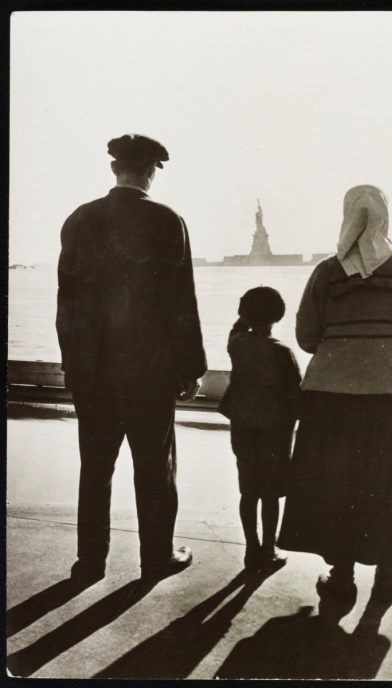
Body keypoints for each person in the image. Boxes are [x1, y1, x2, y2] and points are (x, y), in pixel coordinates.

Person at [56, 134, 207, 583]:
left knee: (95, 468)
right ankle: (157, 558)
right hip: (150, 372)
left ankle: (89, 563)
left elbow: (66, 300)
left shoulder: (80, 220)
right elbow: (182, 301)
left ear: (113, 169)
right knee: (154, 468)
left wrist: (73, 362)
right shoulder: (166, 220)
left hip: (93, 369)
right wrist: (191, 367)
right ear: (151, 171)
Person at [278, 185, 392, 608]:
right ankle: (386, 572)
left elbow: (307, 336)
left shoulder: (328, 271)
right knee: (390, 479)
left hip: (332, 393)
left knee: (337, 481)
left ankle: (341, 576)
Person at [219, 287, 302, 573]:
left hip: (243, 428)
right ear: (279, 317)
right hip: (274, 434)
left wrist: (244, 315)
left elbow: (236, 329)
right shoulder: (283, 353)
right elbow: (296, 397)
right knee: (270, 494)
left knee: (248, 491)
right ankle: (269, 549)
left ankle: (251, 548)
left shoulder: (237, 345)